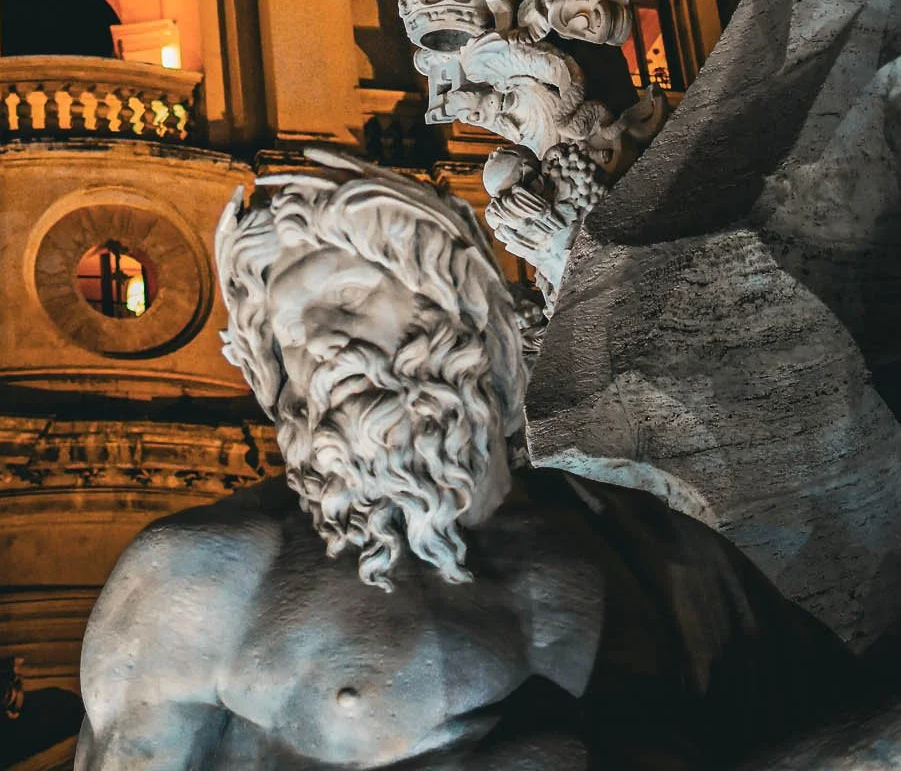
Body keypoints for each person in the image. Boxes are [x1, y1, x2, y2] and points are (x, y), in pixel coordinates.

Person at [77, 155, 853, 769]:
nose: (317, 341)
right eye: (289, 329)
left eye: (344, 299)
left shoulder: (660, 553)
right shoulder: (205, 575)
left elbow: (838, 731)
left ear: (462, 311)